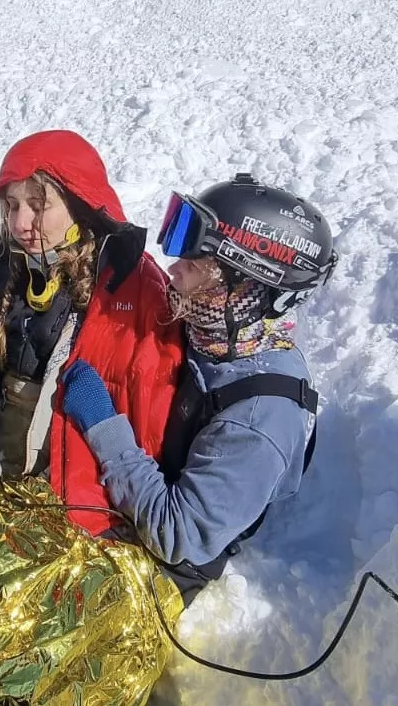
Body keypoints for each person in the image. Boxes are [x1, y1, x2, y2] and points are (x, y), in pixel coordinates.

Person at [61, 175, 339, 602]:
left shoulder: (258, 421)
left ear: (242, 288)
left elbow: (178, 534)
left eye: (192, 265)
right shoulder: (218, 335)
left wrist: (104, 427)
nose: (173, 270)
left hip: (163, 568)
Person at [0, 129, 185, 536]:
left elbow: (148, 403)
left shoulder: (124, 291)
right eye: (11, 206)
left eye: (38, 204)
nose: (20, 223)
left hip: (64, 499)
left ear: (78, 205)